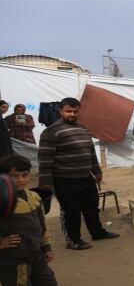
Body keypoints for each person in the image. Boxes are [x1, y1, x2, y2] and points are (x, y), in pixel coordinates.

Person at [0, 154, 93, 286]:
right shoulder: (2, 200)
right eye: (13, 176)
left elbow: (41, 226)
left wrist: (47, 247)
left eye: (24, 175)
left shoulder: (34, 197)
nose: (20, 180)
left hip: (36, 254)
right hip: (14, 260)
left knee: (48, 284)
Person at [38, 97, 119, 250]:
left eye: (75, 111)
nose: (72, 114)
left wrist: (96, 170)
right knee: (71, 211)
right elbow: (44, 157)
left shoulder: (83, 128)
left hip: (85, 177)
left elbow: (90, 152)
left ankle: (98, 233)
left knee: (91, 207)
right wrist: (45, 180)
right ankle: (73, 240)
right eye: (68, 111)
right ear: (60, 111)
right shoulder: (51, 131)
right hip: (64, 179)